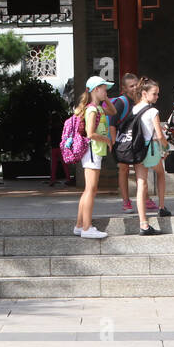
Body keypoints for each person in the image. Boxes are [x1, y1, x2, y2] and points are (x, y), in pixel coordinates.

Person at [105, 73, 156, 214]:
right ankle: (126, 201)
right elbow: (112, 124)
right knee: (124, 170)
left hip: (135, 141)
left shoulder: (139, 101)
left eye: (136, 85)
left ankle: (145, 199)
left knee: (140, 169)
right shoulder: (121, 102)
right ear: (124, 88)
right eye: (131, 86)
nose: (134, 88)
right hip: (121, 142)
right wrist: (115, 145)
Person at [73, 76, 113, 240]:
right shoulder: (92, 109)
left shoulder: (99, 107)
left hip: (94, 152)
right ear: (96, 89)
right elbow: (90, 133)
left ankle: (80, 225)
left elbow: (113, 111)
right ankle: (87, 227)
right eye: (104, 89)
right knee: (91, 189)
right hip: (92, 151)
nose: (106, 92)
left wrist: (105, 98)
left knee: (90, 189)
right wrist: (107, 140)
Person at [133, 77, 170, 234]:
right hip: (151, 149)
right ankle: (161, 207)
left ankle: (143, 223)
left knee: (141, 184)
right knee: (160, 173)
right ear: (144, 93)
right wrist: (166, 147)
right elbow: (160, 135)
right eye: (154, 94)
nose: (156, 97)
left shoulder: (134, 109)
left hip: (137, 149)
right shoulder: (153, 111)